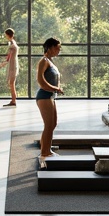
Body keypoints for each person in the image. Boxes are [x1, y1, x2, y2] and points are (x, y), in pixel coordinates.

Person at [35, 37, 63, 167]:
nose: (59, 50)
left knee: (52, 124)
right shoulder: (43, 61)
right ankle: (44, 153)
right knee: (48, 124)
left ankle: (47, 150)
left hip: (51, 96)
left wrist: (55, 89)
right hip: (44, 96)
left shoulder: (50, 61)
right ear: (50, 48)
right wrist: (55, 88)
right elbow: (40, 81)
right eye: (57, 47)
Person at [0, 28, 20, 106]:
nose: (5, 36)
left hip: (12, 66)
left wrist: (0, 65)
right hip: (13, 64)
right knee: (11, 83)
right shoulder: (13, 43)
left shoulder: (12, 45)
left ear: (8, 35)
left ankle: (13, 101)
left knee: (11, 83)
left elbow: (8, 58)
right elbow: (9, 58)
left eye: (6, 35)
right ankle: (13, 100)